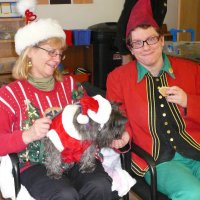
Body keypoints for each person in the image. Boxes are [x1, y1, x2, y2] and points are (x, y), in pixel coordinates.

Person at [0, 1, 112, 199]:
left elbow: (96, 116)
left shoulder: (70, 85)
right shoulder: (9, 95)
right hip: (36, 164)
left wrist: (103, 123)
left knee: (100, 185)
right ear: (29, 52)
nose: (57, 59)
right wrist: (28, 134)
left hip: (76, 157)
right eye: (51, 52)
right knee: (64, 195)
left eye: (60, 53)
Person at [106, 0, 200, 199]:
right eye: (137, 43)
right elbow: (118, 118)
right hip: (159, 161)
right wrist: (122, 135)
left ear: (162, 40)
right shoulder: (118, 78)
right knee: (194, 194)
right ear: (130, 48)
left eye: (151, 39)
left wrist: (188, 101)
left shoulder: (191, 70)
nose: (146, 47)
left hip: (196, 149)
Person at [115, 0, 167, 65]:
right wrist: (125, 54)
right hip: (136, 48)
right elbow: (123, 25)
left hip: (151, 45)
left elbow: (156, 25)